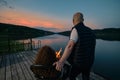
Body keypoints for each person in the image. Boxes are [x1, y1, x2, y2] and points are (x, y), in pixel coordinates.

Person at [53, 12, 96, 80]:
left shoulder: (76, 29)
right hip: (89, 62)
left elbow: (70, 47)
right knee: (86, 77)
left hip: (78, 63)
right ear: (83, 20)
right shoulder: (91, 31)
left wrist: (61, 61)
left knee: (71, 76)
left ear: (73, 21)